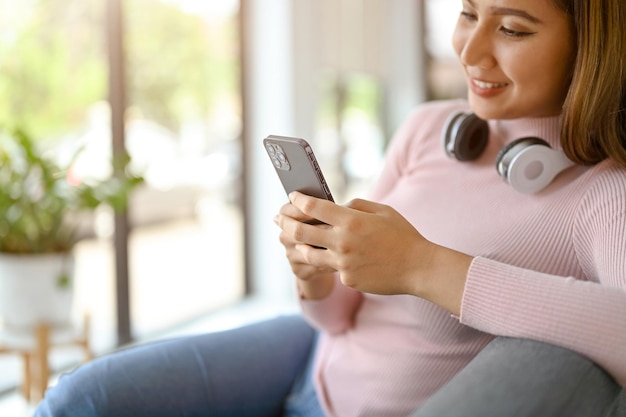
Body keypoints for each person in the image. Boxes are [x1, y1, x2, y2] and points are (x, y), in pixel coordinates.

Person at [33, 0, 626, 416]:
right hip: (309, 368)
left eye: (513, 30)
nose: (470, 50)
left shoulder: (602, 192)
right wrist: (315, 274)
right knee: (75, 402)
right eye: (468, 12)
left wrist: (421, 266)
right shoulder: (429, 128)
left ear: (592, 47)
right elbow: (337, 319)